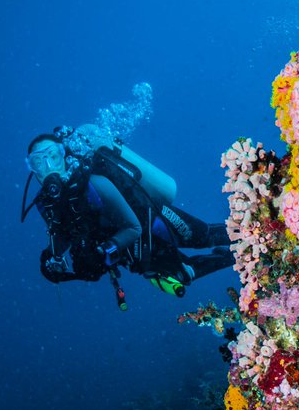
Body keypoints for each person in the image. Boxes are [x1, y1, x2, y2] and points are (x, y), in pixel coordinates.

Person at [22, 125, 234, 303]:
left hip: (153, 221)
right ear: (32, 170)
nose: (48, 167)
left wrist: (105, 250)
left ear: (65, 155)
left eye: (53, 156)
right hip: (134, 252)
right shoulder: (46, 204)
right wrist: (51, 258)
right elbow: (63, 235)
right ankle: (242, 254)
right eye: (38, 163)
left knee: (204, 236)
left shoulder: (94, 184)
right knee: (182, 275)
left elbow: (133, 227)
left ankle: (252, 229)